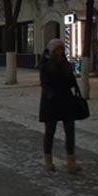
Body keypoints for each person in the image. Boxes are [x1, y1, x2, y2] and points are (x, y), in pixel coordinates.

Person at [39, 38, 80, 173]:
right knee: (50, 132)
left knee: (70, 132)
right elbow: (45, 83)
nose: (60, 52)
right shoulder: (45, 65)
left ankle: (71, 162)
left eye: (62, 49)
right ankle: (48, 161)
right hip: (51, 103)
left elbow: (71, 82)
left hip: (66, 101)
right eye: (58, 49)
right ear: (52, 51)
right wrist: (51, 95)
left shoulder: (65, 64)